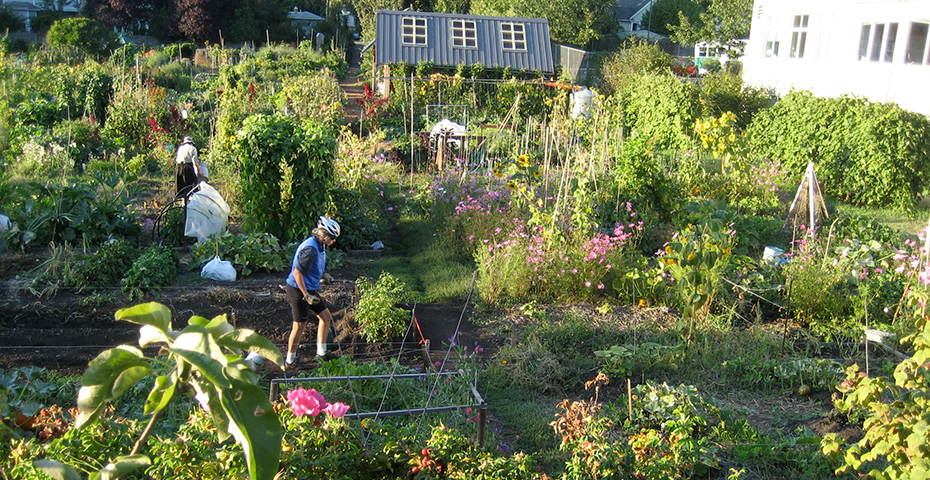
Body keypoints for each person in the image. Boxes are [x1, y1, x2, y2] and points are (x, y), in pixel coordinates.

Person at [285, 216, 341, 367]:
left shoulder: (320, 246)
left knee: (326, 316)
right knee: (300, 325)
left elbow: (313, 268)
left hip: (308, 289)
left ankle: (321, 352)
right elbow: (297, 273)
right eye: (332, 238)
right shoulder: (310, 249)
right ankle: (290, 360)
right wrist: (306, 295)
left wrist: (324, 275)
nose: (334, 241)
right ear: (324, 235)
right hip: (298, 289)